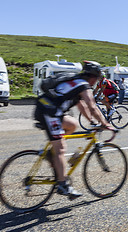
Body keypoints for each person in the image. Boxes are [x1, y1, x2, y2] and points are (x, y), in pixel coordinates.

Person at [34, 61, 113, 199]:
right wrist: (106, 124)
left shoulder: (77, 82)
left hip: (50, 109)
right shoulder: (83, 86)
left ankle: (51, 153)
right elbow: (92, 106)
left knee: (72, 124)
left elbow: (82, 105)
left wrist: (93, 122)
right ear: (94, 77)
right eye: (98, 78)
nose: (97, 82)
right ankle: (63, 185)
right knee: (61, 149)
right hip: (49, 112)